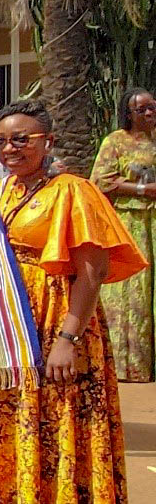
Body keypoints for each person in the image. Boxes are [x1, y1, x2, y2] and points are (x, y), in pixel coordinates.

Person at [0, 98, 145, 502]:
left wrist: (67, 339)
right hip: (7, 331)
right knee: (7, 412)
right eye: (1, 141)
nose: (10, 149)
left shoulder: (74, 192)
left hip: (59, 321)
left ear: (48, 142)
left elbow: (92, 271)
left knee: (61, 415)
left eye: (22, 139)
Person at [91, 87, 156, 382]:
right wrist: (142, 189)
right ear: (127, 113)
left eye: (152, 107)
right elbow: (100, 181)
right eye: (141, 109)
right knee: (133, 292)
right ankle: (129, 366)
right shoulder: (115, 141)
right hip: (130, 221)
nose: (149, 113)